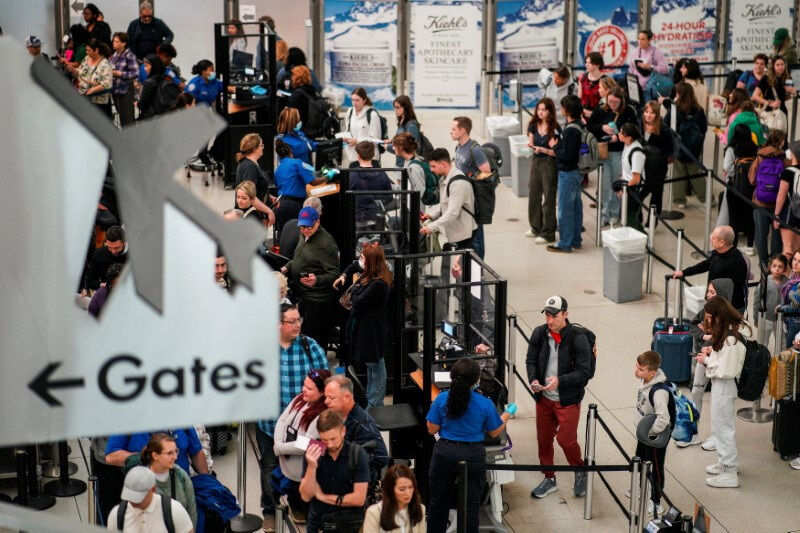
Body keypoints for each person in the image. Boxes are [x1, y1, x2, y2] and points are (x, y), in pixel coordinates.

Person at [256, 304, 328, 531]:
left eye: (299, 320)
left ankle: (299, 505)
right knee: (269, 465)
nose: (297, 325)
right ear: (278, 324)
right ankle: (270, 509)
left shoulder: (310, 347)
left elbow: (325, 382)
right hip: (269, 422)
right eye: (292, 321)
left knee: (303, 466)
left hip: (306, 425)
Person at [426, 358, 514, 533]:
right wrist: (506, 414)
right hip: (473, 455)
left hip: (445, 453)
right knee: (471, 506)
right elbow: (494, 432)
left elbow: (431, 428)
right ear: (476, 381)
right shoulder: (484, 403)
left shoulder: (442, 398)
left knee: (438, 503)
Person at [525, 295, 590, 499]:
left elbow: (584, 372)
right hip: (544, 399)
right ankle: (549, 478)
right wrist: (534, 379)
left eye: (554, 315)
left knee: (566, 440)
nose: (550, 320)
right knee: (544, 439)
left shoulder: (577, 338)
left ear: (565, 314)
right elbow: (531, 360)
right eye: (547, 315)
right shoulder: (539, 333)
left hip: (567, 400)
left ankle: (580, 470)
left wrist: (560, 381)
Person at [696, 296, 749, 488]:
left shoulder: (731, 339)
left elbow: (726, 370)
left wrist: (707, 361)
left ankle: (729, 472)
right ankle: (724, 462)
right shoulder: (731, 331)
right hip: (723, 385)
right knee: (719, 426)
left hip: (725, 385)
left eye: (711, 317)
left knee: (724, 429)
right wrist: (713, 353)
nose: (709, 321)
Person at [680, 278, 734, 450]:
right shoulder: (706, 309)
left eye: (713, 292)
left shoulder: (730, 317)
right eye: (708, 291)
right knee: (696, 391)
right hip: (704, 358)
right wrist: (704, 337)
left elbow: (730, 340)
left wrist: (714, 339)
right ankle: (693, 433)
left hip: (720, 364)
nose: (708, 295)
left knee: (719, 403)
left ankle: (717, 437)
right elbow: (693, 326)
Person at [273, 368, 332, 525]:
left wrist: (280, 449)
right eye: (304, 385)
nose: (303, 390)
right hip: (287, 463)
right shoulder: (301, 399)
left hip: (304, 471)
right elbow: (282, 420)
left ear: (322, 392)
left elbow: (308, 443)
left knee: (305, 508)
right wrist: (278, 443)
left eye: (309, 388)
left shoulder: (324, 414)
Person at [299, 409, 370, 533]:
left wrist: (323, 497)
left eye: (333, 439)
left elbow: (359, 499)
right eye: (324, 440)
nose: (330, 444)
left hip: (349, 524)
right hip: (319, 524)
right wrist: (311, 467)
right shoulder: (314, 451)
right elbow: (305, 496)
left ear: (343, 431)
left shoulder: (357, 454)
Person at [281, 207, 341, 351]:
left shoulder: (326, 245)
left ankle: (319, 372)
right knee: (304, 337)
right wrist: (288, 267)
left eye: (309, 226)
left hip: (317, 301)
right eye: (302, 226)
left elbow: (334, 274)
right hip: (304, 296)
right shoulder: (304, 234)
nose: (305, 230)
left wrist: (317, 280)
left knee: (315, 341)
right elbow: (299, 256)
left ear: (318, 222)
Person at [347, 243, 392, 408]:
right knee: (370, 363)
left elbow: (357, 301)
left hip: (373, 329)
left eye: (364, 258)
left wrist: (355, 287)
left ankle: (375, 401)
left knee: (376, 365)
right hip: (369, 326)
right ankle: (371, 396)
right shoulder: (372, 277)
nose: (361, 260)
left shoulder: (378, 284)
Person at [586, 87, 638, 226]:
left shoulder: (628, 112)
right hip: (603, 152)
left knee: (616, 184)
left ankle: (614, 213)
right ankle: (603, 214)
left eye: (615, 102)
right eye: (610, 101)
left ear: (622, 101)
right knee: (604, 185)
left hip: (618, 153)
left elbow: (635, 130)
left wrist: (618, 137)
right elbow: (590, 126)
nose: (612, 104)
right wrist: (602, 128)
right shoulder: (601, 109)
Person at [323, 375, 390, 477]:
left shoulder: (363, 424)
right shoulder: (337, 414)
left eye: (331, 398)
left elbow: (381, 457)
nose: (326, 401)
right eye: (326, 397)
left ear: (347, 397)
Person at [673, 226, 749, 312]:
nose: (711, 240)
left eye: (713, 238)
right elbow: (705, 264)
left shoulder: (736, 262)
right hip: (716, 303)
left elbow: (734, 291)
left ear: (721, 242)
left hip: (728, 309)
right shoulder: (719, 252)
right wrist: (684, 272)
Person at [633, 351, 672, 516]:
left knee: (655, 469)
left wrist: (650, 432)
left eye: (641, 369)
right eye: (637, 367)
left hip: (653, 438)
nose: (636, 371)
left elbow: (663, 419)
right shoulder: (645, 381)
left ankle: (656, 502)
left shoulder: (658, 392)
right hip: (644, 435)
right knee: (640, 461)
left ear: (652, 373)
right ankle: (642, 489)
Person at [450, 116, 492, 258]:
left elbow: (487, 172)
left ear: (462, 130)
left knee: (477, 235)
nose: (451, 132)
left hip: (475, 199)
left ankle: (479, 268)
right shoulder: (458, 147)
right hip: (464, 198)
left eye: (454, 129)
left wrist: (471, 177)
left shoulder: (475, 150)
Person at [420, 148, 477, 251]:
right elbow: (446, 204)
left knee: (461, 265)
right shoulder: (446, 179)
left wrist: (431, 227)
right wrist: (432, 215)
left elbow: (452, 212)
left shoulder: (457, 185)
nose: (431, 170)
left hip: (463, 235)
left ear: (443, 164)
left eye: (433, 166)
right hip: (457, 233)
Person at [548, 95, 585, 253]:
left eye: (563, 106)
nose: (561, 109)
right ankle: (576, 239)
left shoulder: (570, 130)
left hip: (568, 173)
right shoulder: (579, 125)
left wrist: (555, 146)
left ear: (568, 110)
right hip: (577, 172)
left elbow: (566, 155)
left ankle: (565, 243)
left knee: (564, 209)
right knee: (576, 207)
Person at [107, 466, 193, 533]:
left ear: (153, 489)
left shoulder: (174, 509)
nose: (133, 501)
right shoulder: (117, 514)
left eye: (139, 495)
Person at [140, 433, 198, 529]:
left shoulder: (180, 475)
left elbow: (192, 512)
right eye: (169, 453)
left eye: (176, 451)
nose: (175, 457)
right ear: (155, 455)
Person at [666, 82, 708, 208]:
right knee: (696, 174)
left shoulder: (674, 109)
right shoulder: (699, 110)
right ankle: (705, 198)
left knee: (678, 174)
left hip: (678, 147)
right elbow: (704, 129)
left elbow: (666, 126)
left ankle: (679, 200)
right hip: (694, 149)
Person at [748, 129, 786, 265]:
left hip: (760, 201)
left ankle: (763, 262)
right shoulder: (783, 158)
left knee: (760, 234)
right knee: (776, 235)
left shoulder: (760, 156)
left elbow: (752, 179)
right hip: (778, 203)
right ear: (781, 141)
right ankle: (774, 263)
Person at [525, 97, 559, 244]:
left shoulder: (555, 128)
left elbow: (557, 152)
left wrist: (544, 150)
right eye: (538, 109)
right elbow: (531, 141)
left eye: (543, 109)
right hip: (536, 162)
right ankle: (536, 227)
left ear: (550, 111)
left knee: (549, 198)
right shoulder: (533, 125)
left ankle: (548, 232)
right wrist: (531, 146)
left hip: (549, 163)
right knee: (533, 195)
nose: (540, 112)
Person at [105, 428, 209, 476]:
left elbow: (196, 451)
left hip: (180, 487)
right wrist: (146, 457)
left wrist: (207, 481)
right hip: (145, 492)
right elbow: (111, 456)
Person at [723, 124, 758, 255]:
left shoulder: (732, 149)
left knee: (734, 217)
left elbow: (727, 167)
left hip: (734, 187)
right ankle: (750, 245)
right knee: (749, 215)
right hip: (750, 187)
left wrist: (733, 175)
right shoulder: (754, 148)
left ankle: (734, 244)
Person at [274, 139, 321, 233]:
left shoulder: (278, 169)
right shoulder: (297, 163)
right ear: (291, 152)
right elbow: (313, 182)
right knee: (297, 234)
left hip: (280, 205)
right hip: (295, 205)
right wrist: (328, 177)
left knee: (283, 235)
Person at [363, 465, 425, 533]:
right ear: (391, 489)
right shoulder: (374, 513)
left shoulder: (420, 509)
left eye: (410, 487)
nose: (407, 493)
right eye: (402, 489)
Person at [234, 133, 277, 226]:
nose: (263, 147)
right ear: (254, 149)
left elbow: (255, 189)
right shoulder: (250, 167)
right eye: (261, 145)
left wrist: (268, 196)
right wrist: (269, 211)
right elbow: (250, 196)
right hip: (252, 218)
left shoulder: (250, 163)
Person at [641, 100, 674, 214]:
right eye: (646, 112)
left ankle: (652, 222)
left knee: (656, 195)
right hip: (641, 166)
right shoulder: (639, 125)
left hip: (657, 168)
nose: (648, 115)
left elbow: (669, 149)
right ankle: (637, 219)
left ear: (657, 114)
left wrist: (657, 154)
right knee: (638, 195)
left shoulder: (663, 129)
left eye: (652, 113)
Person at [350, 142, 393, 227]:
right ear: (373, 155)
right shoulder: (382, 174)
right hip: (377, 215)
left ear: (358, 156)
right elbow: (389, 197)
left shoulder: (352, 174)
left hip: (358, 217)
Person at [753, 255, 788, 350]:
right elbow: (757, 301)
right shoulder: (764, 282)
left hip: (781, 318)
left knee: (782, 341)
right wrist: (756, 318)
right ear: (770, 266)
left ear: (785, 269)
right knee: (763, 342)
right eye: (774, 266)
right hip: (766, 318)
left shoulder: (787, 282)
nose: (777, 269)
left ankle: (781, 361)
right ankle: (763, 360)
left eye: (780, 267)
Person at [772, 141, 800, 258]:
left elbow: (781, 196)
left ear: (793, 154)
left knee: (787, 250)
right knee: (797, 251)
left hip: (789, 214)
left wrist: (776, 216)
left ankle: (786, 276)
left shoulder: (788, 172)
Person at [73, 39, 113, 117]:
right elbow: (80, 72)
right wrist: (73, 70)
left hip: (98, 103)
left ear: (96, 50)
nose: (87, 52)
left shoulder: (104, 64)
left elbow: (107, 84)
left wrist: (92, 90)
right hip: (84, 97)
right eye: (86, 50)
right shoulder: (86, 58)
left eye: (89, 50)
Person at [82, 225, 128, 293]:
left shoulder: (134, 256)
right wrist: (100, 285)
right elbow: (91, 280)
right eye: (109, 247)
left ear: (125, 243)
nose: (113, 251)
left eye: (117, 248)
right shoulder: (99, 255)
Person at [618, 123, 647, 231]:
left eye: (621, 133)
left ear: (629, 138)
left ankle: (642, 239)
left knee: (629, 218)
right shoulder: (627, 145)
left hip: (634, 189)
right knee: (625, 217)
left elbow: (636, 178)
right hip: (627, 187)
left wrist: (624, 189)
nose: (619, 134)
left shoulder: (637, 153)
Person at [343, 87, 383, 163]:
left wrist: (357, 141)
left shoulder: (372, 115)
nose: (354, 103)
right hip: (354, 158)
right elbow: (349, 132)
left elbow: (376, 140)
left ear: (364, 100)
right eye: (352, 100)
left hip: (369, 159)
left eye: (357, 100)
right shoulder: (350, 112)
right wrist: (346, 138)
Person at [629, 29, 669, 100]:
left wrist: (650, 67)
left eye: (643, 39)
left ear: (649, 40)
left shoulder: (656, 52)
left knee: (648, 109)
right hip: (636, 89)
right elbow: (631, 70)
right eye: (639, 38)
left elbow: (665, 69)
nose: (640, 42)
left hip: (649, 88)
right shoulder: (634, 52)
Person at [109, 32, 138, 126]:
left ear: (123, 43)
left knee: (127, 119)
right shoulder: (114, 55)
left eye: (116, 41)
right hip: (115, 90)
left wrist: (120, 74)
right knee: (121, 117)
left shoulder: (129, 55)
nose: (113, 43)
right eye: (113, 41)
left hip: (125, 91)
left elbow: (135, 72)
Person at [390, 133, 428, 200]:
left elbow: (419, 192)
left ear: (401, 147)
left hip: (415, 208)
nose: (393, 148)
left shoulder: (414, 167)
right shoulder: (408, 162)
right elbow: (406, 188)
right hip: (410, 205)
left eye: (394, 145)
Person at [387, 95, 422, 166]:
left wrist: (387, 146)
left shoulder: (411, 125)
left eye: (397, 108)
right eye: (394, 107)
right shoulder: (401, 122)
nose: (395, 110)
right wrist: (391, 141)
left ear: (405, 108)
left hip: (407, 165)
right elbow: (401, 140)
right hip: (400, 162)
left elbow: (409, 147)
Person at [286, 66, 318, 132]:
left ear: (296, 78)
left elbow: (290, 118)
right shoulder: (313, 91)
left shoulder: (296, 95)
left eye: (293, 75)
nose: (291, 78)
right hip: (312, 130)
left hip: (301, 132)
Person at [779, 250, 800, 347]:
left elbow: (795, 306)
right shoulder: (795, 275)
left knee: (790, 352)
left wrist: (781, 308)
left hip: (795, 322)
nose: (795, 263)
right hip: (791, 319)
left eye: (799, 261)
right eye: (795, 259)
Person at [137, 54, 168, 119]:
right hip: (163, 114)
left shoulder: (148, 83)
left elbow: (142, 104)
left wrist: (137, 104)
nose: (145, 69)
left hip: (151, 115)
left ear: (154, 67)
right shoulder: (164, 78)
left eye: (146, 66)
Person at [577, 52, 606, 119]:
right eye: (586, 62)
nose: (587, 65)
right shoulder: (582, 77)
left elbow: (606, 101)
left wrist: (594, 114)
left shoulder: (605, 79)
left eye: (590, 63)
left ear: (598, 64)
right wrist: (582, 111)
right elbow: (579, 98)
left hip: (599, 115)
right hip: (582, 113)